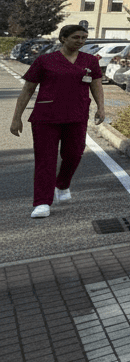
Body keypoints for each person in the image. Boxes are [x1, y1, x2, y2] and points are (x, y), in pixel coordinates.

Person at [10, 24, 105, 218]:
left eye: (84, 38)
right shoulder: (45, 61)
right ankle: (42, 202)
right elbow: (27, 89)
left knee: (74, 154)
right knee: (45, 160)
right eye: (76, 37)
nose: (80, 41)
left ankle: (62, 184)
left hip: (77, 115)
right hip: (46, 117)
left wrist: (101, 108)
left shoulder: (90, 61)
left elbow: (96, 85)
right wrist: (16, 118)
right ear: (63, 38)